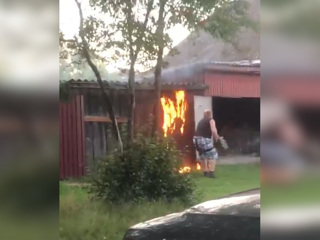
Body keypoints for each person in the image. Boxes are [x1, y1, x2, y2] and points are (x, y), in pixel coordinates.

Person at [193, 110, 220, 178]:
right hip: (203, 139)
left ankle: (205, 171)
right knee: (213, 154)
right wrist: (216, 138)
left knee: (204, 154)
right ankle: (211, 172)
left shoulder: (201, 121)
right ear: (210, 115)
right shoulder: (211, 120)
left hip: (196, 139)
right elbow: (213, 130)